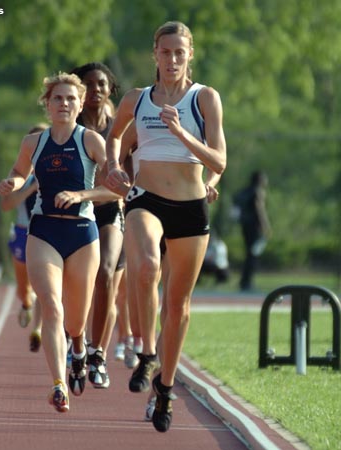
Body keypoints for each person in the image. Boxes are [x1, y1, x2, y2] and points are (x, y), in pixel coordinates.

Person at [105, 20, 226, 432]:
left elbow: (219, 161)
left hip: (191, 208)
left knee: (178, 306)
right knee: (144, 270)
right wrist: (113, 166)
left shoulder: (204, 98)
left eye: (180, 52)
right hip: (146, 199)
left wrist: (180, 132)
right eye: (165, 52)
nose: (172, 59)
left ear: (190, 54)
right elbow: (114, 135)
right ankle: (146, 352)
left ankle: (166, 387)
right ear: (154, 55)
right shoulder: (137, 99)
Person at [0, 72, 118, 413]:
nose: (63, 104)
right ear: (47, 105)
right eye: (57, 99)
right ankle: (59, 383)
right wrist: (11, 183)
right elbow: (19, 172)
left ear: (80, 105)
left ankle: (79, 349)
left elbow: (116, 188)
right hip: (44, 231)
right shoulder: (33, 143)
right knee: (51, 305)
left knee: (76, 322)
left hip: (82, 234)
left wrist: (81, 194)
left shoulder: (92, 141)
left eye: (70, 99)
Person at [70, 62, 124, 389]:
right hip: (76, 213)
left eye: (102, 84)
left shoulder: (119, 128)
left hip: (110, 212)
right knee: (77, 287)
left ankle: (98, 353)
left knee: (106, 274)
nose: (96, 89)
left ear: (110, 88)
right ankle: (77, 350)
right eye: (88, 84)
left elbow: (132, 164)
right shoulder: (71, 127)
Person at [0, 124, 47, 352]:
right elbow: (6, 205)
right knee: (23, 288)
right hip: (21, 232)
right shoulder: (21, 175)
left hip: (46, 233)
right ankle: (26, 303)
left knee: (43, 284)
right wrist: (30, 188)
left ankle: (37, 328)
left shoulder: (56, 171)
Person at [234, 171, 272, 291]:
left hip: (245, 225)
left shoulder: (245, 191)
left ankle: (244, 281)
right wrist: (266, 226)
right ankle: (247, 282)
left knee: (249, 253)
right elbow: (259, 209)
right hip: (254, 227)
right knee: (253, 254)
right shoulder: (258, 191)